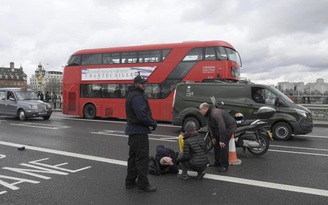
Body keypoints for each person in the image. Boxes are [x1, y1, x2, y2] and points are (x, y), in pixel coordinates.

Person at [125, 75, 157, 193]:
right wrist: (153, 123)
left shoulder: (131, 95)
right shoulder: (138, 97)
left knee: (133, 158)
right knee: (142, 159)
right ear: (136, 84)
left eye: (145, 83)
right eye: (142, 83)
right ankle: (143, 185)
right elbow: (142, 115)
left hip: (132, 131)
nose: (144, 85)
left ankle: (130, 181)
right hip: (139, 132)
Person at [199, 102, 237, 172]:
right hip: (219, 128)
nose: (199, 111)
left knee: (223, 146)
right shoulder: (208, 115)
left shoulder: (215, 114)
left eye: (200, 109)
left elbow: (222, 128)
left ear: (205, 109)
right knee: (215, 143)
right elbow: (210, 127)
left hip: (229, 127)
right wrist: (213, 137)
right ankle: (217, 161)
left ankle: (224, 165)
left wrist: (222, 140)